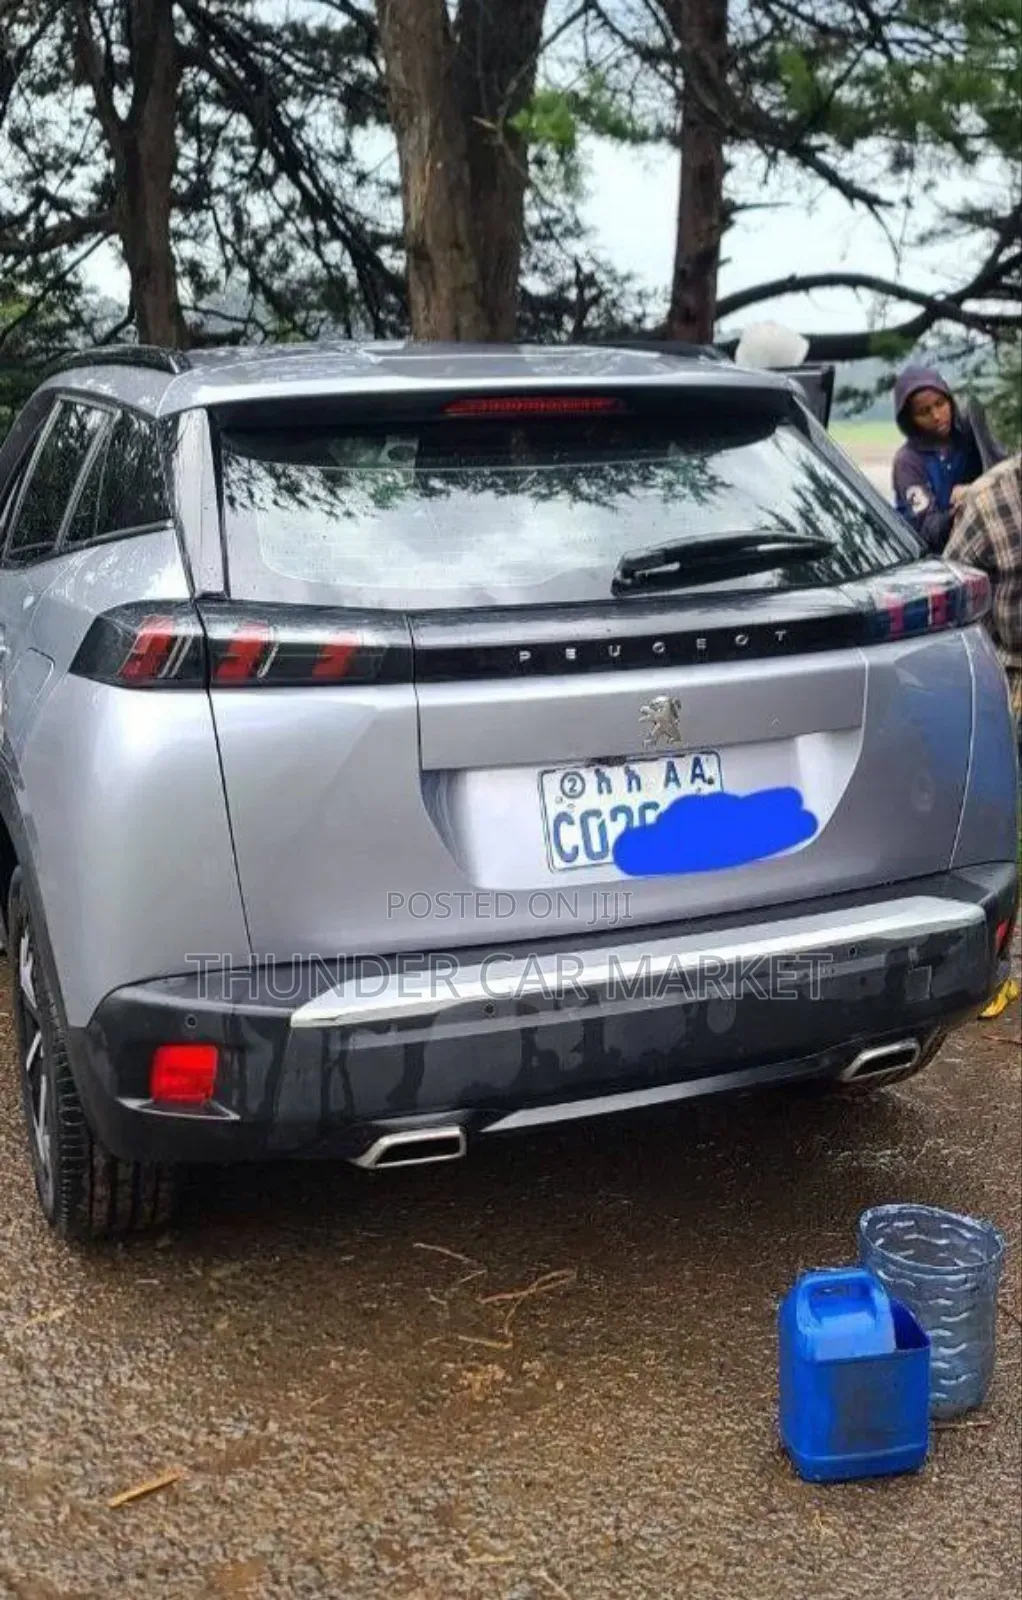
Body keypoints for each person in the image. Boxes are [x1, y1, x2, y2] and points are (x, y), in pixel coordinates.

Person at [945, 453, 1022, 1020]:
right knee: (1000, 826)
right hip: (1010, 672)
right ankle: (998, 964)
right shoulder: (991, 502)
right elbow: (955, 613)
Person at [892, 366, 995, 552]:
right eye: (924, 412)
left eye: (940, 404)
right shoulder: (907, 463)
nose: (937, 416)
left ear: (950, 400)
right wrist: (960, 510)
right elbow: (927, 528)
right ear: (910, 419)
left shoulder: (970, 435)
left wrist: (975, 491)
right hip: (937, 557)